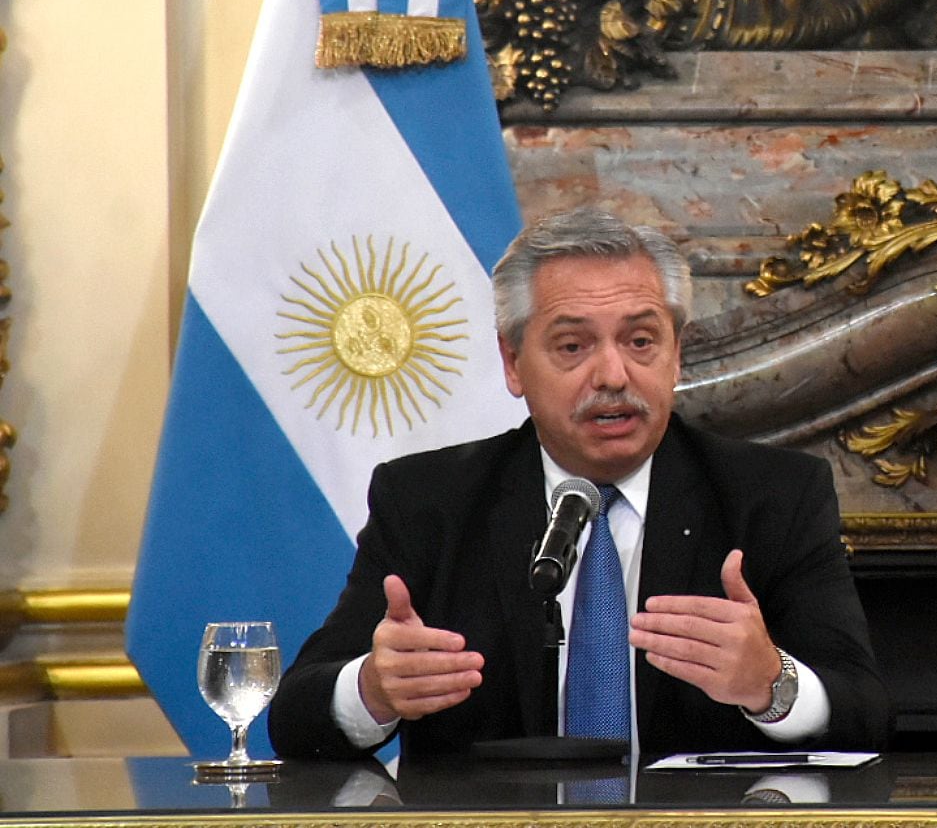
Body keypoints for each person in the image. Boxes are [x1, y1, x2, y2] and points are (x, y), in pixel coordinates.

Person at [269, 209, 891, 759]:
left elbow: (867, 712)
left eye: (641, 341)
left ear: (677, 354)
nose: (614, 374)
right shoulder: (428, 501)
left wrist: (770, 682)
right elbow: (295, 716)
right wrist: (375, 690)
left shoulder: (775, 496)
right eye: (572, 345)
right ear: (513, 364)